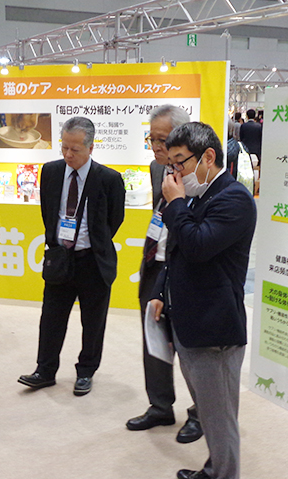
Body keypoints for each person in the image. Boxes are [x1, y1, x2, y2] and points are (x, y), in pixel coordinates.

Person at [150, 121, 256, 479]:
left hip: (216, 329)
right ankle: (214, 468)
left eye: (180, 162)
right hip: (190, 322)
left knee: (219, 416)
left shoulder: (234, 199)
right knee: (210, 411)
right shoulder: (197, 195)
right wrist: (161, 291)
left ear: (208, 157)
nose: (175, 173)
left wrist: (175, 203)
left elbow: (197, 246)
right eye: (172, 164)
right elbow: (174, 251)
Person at [18, 117, 125, 396]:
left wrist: (92, 241)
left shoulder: (109, 179)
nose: (68, 154)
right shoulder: (51, 172)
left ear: (90, 147)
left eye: (75, 149)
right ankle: (45, 370)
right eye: (64, 147)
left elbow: (114, 220)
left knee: (93, 322)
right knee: (51, 317)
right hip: (60, 258)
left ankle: (86, 371)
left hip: (93, 260)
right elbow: (48, 212)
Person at [125, 104, 203, 444]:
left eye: (163, 139)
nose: (156, 147)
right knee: (153, 339)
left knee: (191, 347)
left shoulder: (199, 174)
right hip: (155, 263)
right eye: (152, 139)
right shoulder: (157, 168)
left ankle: (202, 412)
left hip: (185, 269)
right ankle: (160, 406)